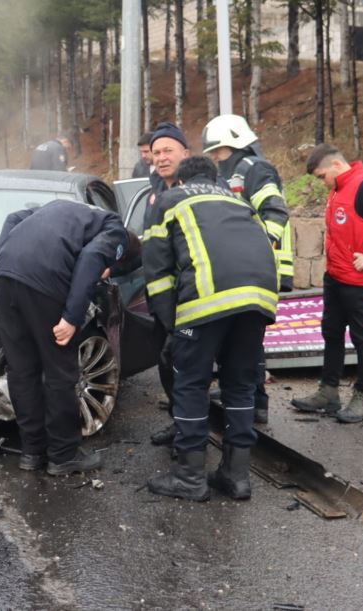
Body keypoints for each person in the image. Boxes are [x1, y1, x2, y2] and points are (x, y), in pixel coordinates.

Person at [142, 155, 279, 501]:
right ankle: (236, 476)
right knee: (240, 386)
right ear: (215, 178)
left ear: (182, 180)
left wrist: (172, 326)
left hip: (207, 299)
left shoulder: (169, 199)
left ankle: (190, 478)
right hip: (259, 299)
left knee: (190, 383)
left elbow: (156, 272)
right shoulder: (238, 200)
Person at [0, 199, 140, 475]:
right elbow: (91, 257)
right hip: (45, 280)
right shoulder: (115, 229)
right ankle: (63, 455)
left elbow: (13, 215)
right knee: (60, 371)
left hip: (6, 275)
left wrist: (3, 256)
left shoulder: (60, 209)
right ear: (120, 255)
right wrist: (72, 317)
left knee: (22, 370)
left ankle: (32, 452)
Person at [292, 145, 363, 424]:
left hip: (360, 282)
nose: (322, 182)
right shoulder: (339, 188)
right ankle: (329, 392)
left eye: (321, 176)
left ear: (337, 166)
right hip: (337, 277)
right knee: (331, 332)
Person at [200, 114, 293, 426]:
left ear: (236, 143)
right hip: (244, 267)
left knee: (248, 340)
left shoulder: (254, 170)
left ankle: (254, 401)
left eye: (219, 151)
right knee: (244, 338)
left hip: (255, 268)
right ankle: (246, 395)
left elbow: (275, 211)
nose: (214, 157)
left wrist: (257, 251)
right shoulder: (234, 172)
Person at [140, 122, 192, 449]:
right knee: (166, 362)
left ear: (185, 153)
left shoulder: (202, 185)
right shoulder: (155, 191)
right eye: (156, 152)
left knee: (190, 365)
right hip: (161, 295)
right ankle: (179, 422)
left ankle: (191, 439)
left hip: (193, 294)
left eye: (168, 150)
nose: (161, 157)